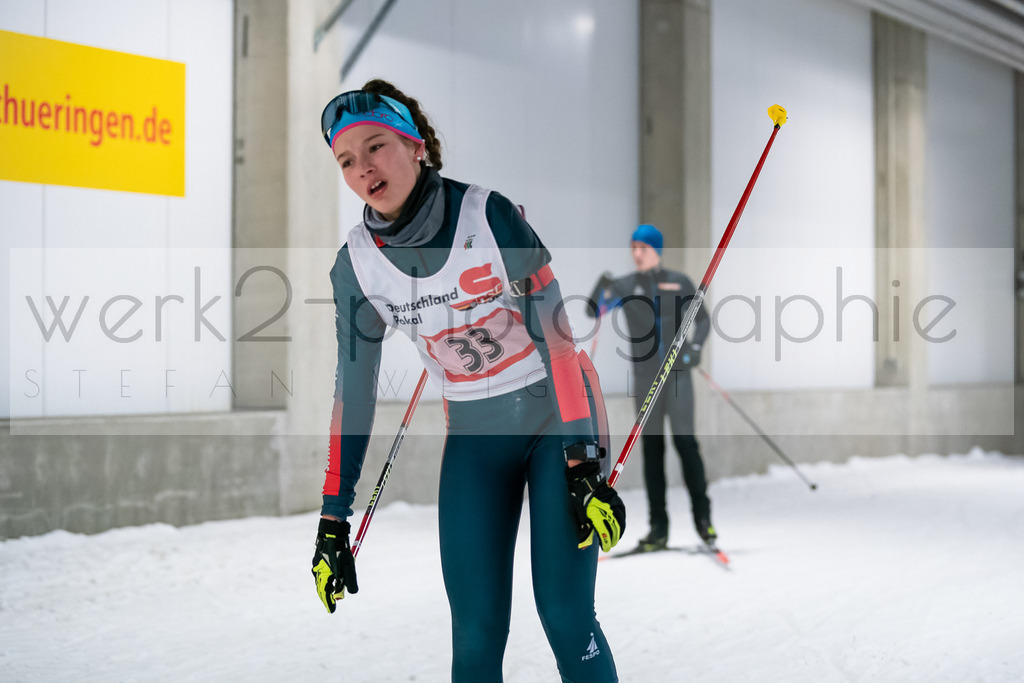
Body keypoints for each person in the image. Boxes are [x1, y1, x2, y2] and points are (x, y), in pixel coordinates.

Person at [310, 79, 626, 683]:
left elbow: (559, 342)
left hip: (558, 418)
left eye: (376, 147)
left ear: (417, 145)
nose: (362, 169)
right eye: (346, 160)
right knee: (476, 632)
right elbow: (353, 393)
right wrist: (332, 519)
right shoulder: (356, 265)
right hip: (476, 438)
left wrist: (584, 462)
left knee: (565, 615)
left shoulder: (488, 215)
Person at [587, 224, 714, 551]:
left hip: (678, 377)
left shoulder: (678, 281)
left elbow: (703, 320)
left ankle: (704, 520)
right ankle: (658, 528)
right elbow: (595, 310)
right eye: (633, 247)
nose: (637, 253)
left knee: (686, 444)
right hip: (645, 380)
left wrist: (695, 348)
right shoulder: (625, 284)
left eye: (643, 247)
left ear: (657, 249)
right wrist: (599, 288)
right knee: (652, 451)